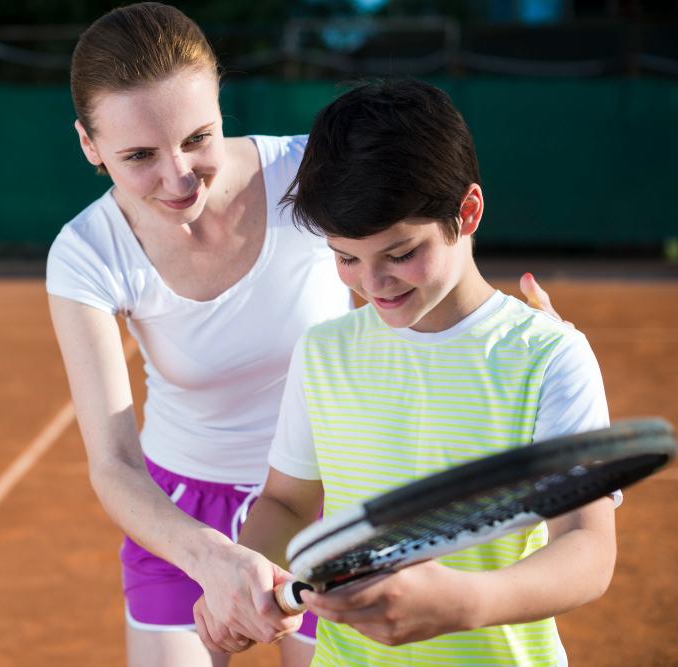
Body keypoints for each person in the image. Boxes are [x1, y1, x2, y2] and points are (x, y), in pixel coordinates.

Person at [47, 4, 564, 665]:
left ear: (221, 107)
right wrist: (214, 557)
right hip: (181, 518)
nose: (178, 176)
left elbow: (413, 269)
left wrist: (512, 335)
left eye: (198, 137)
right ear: (90, 146)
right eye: (140, 155)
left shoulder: (304, 174)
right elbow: (114, 461)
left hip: (331, 497)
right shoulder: (87, 251)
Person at [192, 80, 617, 666]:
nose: (374, 284)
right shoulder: (322, 352)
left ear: (466, 212)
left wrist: (469, 600)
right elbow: (287, 503)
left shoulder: (548, 357)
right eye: (346, 257)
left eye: (399, 254)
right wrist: (244, 578)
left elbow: (587, 546)